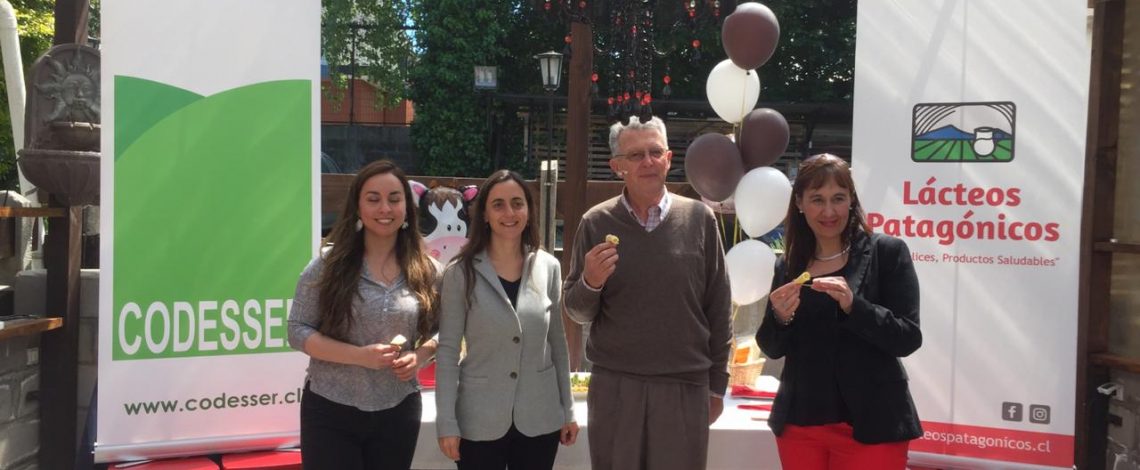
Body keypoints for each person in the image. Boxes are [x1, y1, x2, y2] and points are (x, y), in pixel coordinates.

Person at [562, 115, 733, 470]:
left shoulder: (700, 219)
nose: (648, 162)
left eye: (656, 152)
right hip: (616, 387)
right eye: (636, 155)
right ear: (617, 167)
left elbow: (719, 307)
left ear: (669, 159)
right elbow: (577, 311)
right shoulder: (596, 222)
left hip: (684, 386)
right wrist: (591, 282)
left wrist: (717, 384)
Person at [757, 154, 922, 470]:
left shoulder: (887, 252)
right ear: (800, 203)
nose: (829, 211)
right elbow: (772, 347)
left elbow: (908, 337)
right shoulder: (788, 265)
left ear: (851, 200)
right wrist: (780, 317)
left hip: (873, 424)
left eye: (838, 198)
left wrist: (854, 307)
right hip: (800, 425)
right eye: (817, 199)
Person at [288, 160, 440, 470]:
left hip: (398, 411)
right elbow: (297, 330)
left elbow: (448, 331)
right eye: (373, 199)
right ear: (357, 207)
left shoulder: (428, 271)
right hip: (330, 409)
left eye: (394, 199)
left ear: (407, 208)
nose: (385, 208)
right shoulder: (327, 266)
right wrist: (359, 356)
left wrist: (420, 356)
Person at [435, 170, 579, 469]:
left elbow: (557, 344)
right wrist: (446, 421)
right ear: (484, 214)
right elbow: (447, 351)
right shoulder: (460, 272)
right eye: (498, 204)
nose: (509, 213)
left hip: (540, 417)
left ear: (529, 210)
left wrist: (568, 410)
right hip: (478, 419)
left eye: (517, 203)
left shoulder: (548, 267)